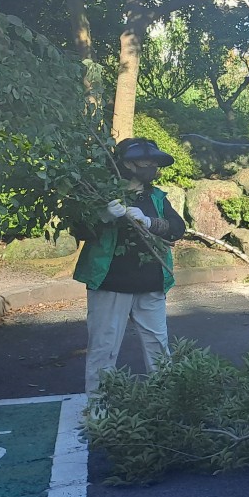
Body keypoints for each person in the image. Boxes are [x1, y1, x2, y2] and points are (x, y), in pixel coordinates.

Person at [74, 138, 187, 393]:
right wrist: (101, 216)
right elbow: (79, 229)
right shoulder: (99, 194)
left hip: (151, 283)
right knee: (104, 348)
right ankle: (99, 409)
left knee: (159, 346)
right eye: (144, 163)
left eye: (154, 164)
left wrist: (149, 221)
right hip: (111, 284)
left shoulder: (156, 197)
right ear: (125, 164)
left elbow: (177, 228)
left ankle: (166, 403)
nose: (151, 168)